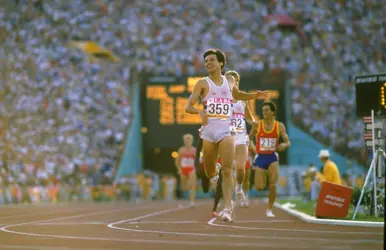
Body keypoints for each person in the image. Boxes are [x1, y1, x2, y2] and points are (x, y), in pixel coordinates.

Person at [185, 48, 269, 222]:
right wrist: (199, 112)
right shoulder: (202, 83)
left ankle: (228, 208)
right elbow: (188, 106)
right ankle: (213, 170)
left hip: (226, 129)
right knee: (209, 172)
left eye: (211, 60)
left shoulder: (229, 80)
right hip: (208, 131)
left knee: (227, 169)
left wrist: (255, 95)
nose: (208, 63)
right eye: (206, 61)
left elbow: (237, 94)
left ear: (221, 63)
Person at [249, 100, 291, 218]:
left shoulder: (279, 126)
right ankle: (263, 176)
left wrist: (284, 145)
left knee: (273, 185)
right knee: (259, 187)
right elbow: (248, 139)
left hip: (272, 156)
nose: (264, 112)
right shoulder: (257, 125)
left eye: (267, 110)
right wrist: (253, 148)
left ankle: (269, 209)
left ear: (273, 112)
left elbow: (288, 142)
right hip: (260, 157)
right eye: (263, 110)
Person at [225, 70, 256, 208]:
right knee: (227, 170)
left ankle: (239, 188)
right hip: (226, 137)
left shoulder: (243, 100)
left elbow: (248, 117)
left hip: (241, 137)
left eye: (237, 80)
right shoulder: (222, 98)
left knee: (241, 169)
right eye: (232, 80)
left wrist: (254, 122)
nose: (235, 83)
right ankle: (228, 200)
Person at [175, 134, 196, 207]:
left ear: (192, 141)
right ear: (184, 141)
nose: (188, 141)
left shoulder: (194, 150)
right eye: (186, 140)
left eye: (189, 140)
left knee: (192, 185)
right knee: (184, 187)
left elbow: (198, 160)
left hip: (191, 169)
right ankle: (184, 201)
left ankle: (192, 201)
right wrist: (179, 169)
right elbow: (177, 161)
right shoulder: (181, 150)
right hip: (183, 169)